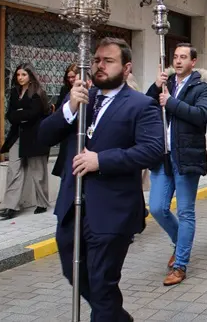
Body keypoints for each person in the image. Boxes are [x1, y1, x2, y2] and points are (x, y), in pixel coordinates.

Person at [39, 38, 164, 322]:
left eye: (109, 61)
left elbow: (153, 150)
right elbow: (44, 136)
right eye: (97, 60)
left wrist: (101, 160)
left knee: (102, 284)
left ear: (126, 67)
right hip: (72, 207)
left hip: (112, 210)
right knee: (74, 273)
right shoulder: (82, 97)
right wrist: (69, 108)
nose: (100, 66)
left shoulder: (141, 104)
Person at [145, 43, 207, 286]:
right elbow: (145, 107)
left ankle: (180, 265)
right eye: (175, 57)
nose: (177, 61)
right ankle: (180, 242)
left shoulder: (202, 87)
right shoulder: (167, 84)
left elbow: (202, 115)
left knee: (185, 212)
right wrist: (156, 87)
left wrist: (171, 103)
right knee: (157, 207)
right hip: (163, 157)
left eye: (183, 57)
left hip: (187, 157)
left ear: (193, 62)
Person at [0, 63, 52, 220]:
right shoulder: (15, 92)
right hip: (17, 135)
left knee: (38, 171)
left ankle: (42, 203)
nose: (20, 78)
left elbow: (35, 114)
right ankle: (11, 207)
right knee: (13, 170)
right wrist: (21, 114)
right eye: (18, 75)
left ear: (30, 75)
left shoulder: (38, 93)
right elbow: (10, 114)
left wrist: (20, 114)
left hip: (35, 137)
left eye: (24, 75)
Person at [52, 64, 79, 178]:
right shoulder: (65, 90)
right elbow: (60, 108)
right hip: (66, 129)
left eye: (73, 77)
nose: (71, 79)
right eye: (69, 77)